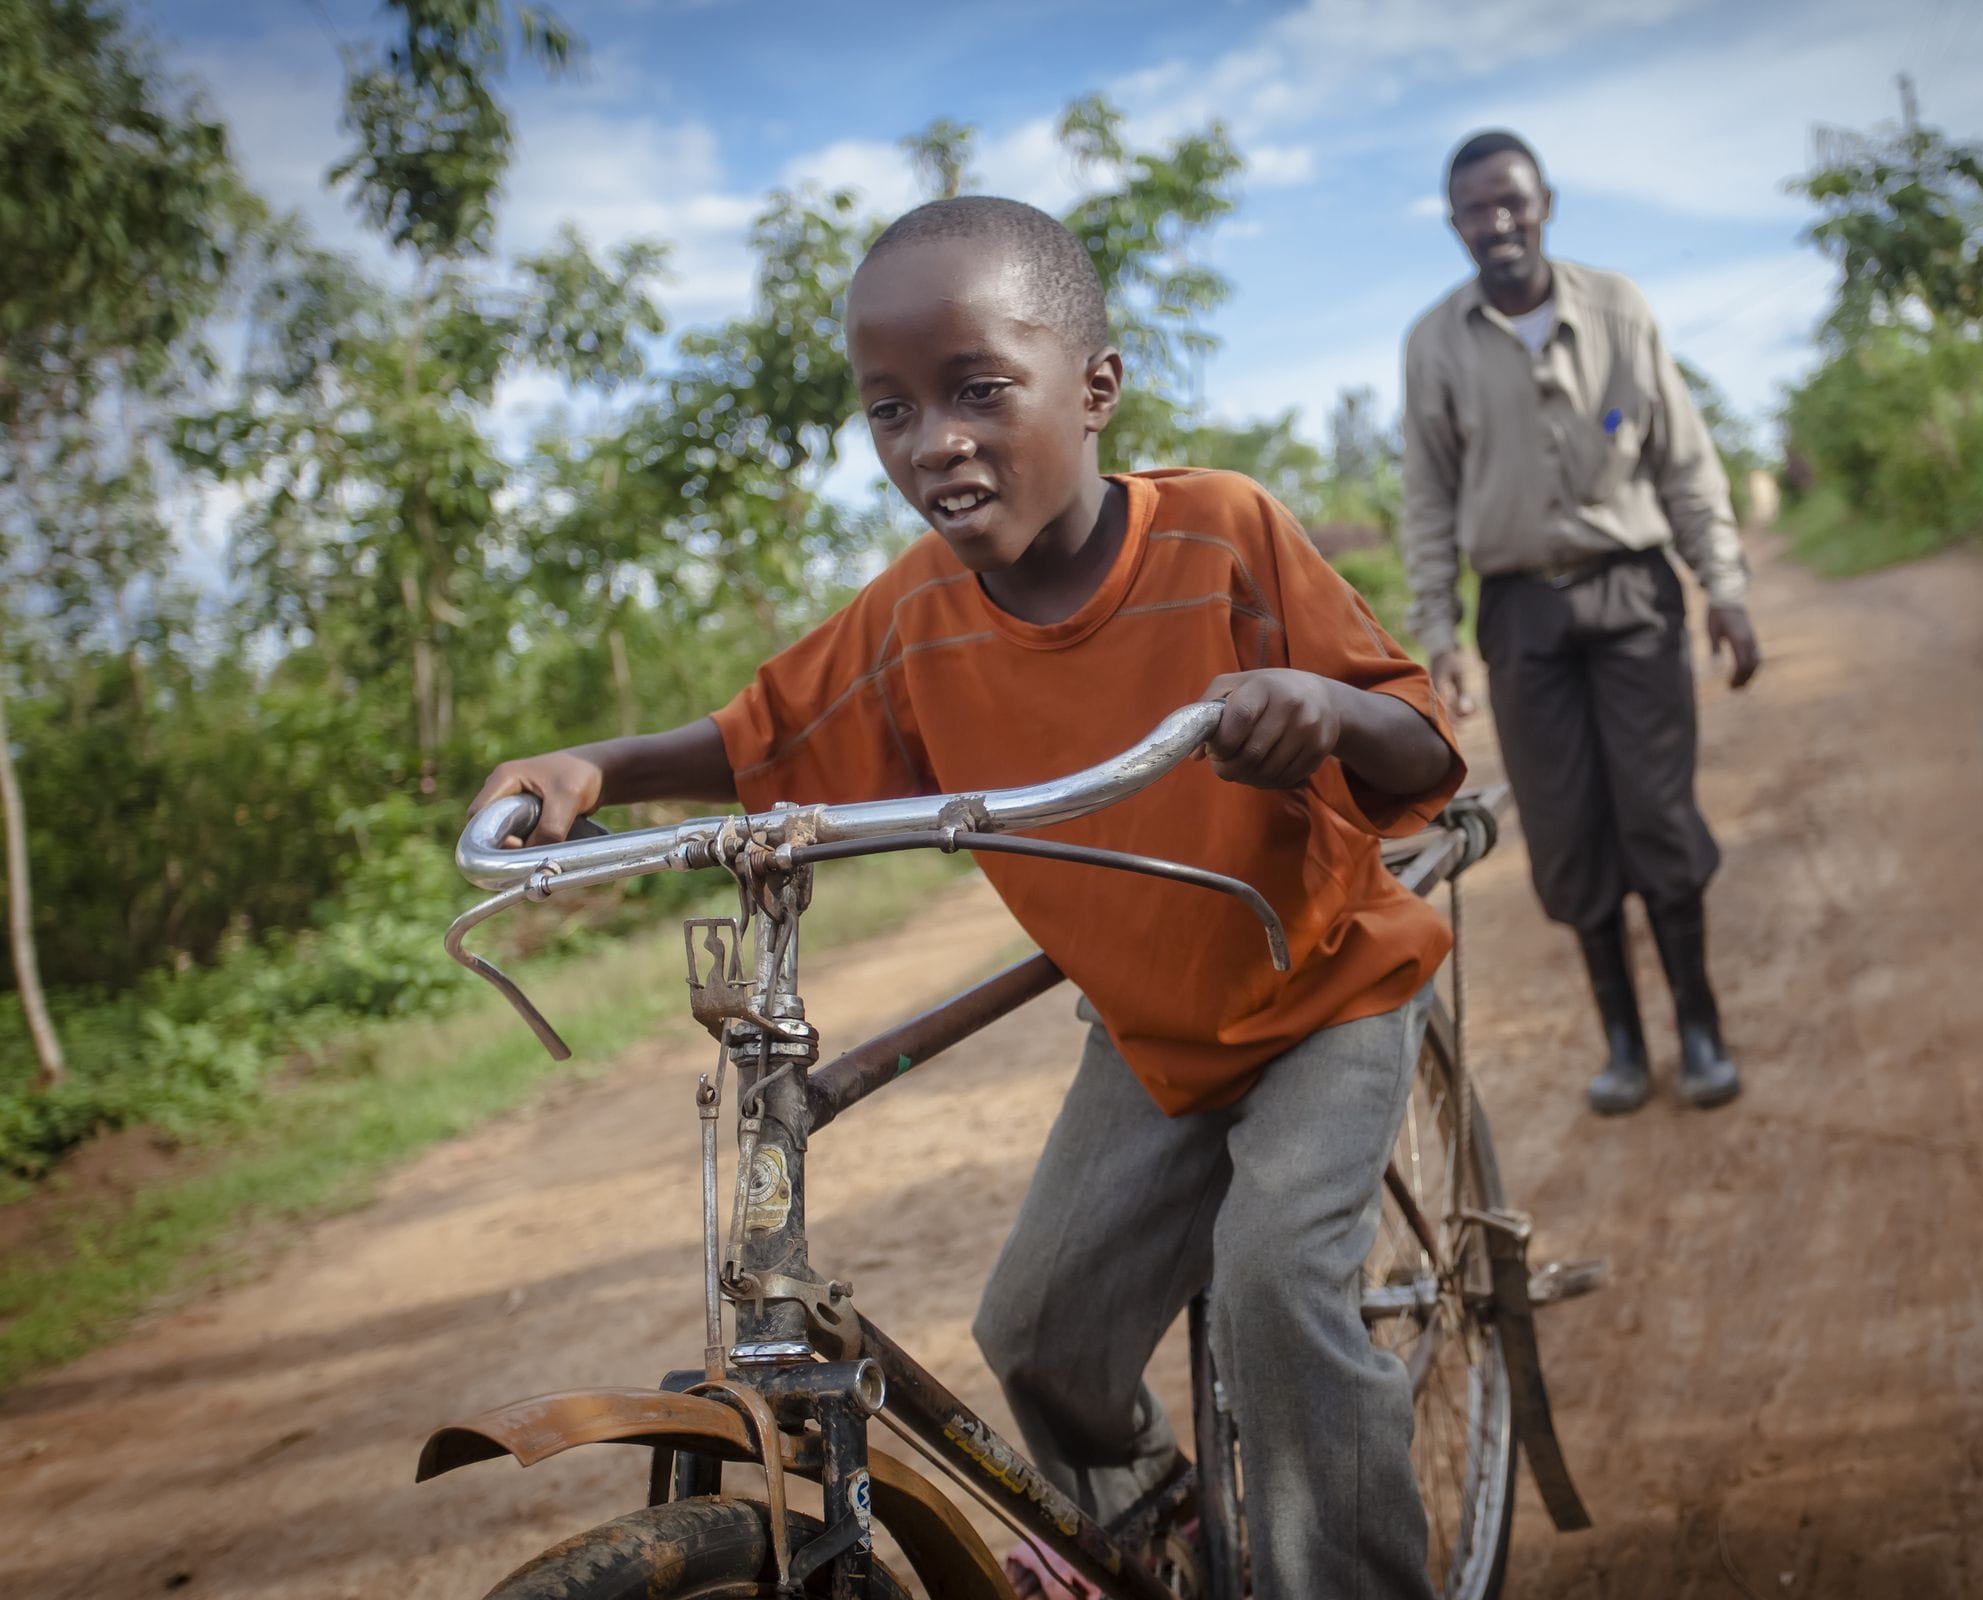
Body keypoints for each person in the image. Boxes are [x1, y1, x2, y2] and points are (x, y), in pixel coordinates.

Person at [471, 196, 1463, 1600]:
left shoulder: (1220, 537)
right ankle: (1154, 1535)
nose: (933, 441)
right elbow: (757, 737)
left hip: (1320, 989)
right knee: (1041, 1330)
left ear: (1096, 389)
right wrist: (596, 766)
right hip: (1151, 1034)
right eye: (890, 411)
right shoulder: (912, 617)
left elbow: (1421, 748)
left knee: (1275, 1294)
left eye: (979, 390)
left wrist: (1319, 707)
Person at [1401, 129, 1762, 1117]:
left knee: (1656, 809)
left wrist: (1722, 585)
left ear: (1546, 203)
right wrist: (1441, 635)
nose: (1498, 221)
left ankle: (1698, 1024)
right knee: (1566, 826)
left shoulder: (1619, 308)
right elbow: (1428, 501)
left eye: (1513, 201)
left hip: (1632, 588)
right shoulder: (1434, 343)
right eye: (1476, 208)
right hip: (1520, 612)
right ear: (1456, 224)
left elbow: (1686, 461)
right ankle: (1621, 1039)